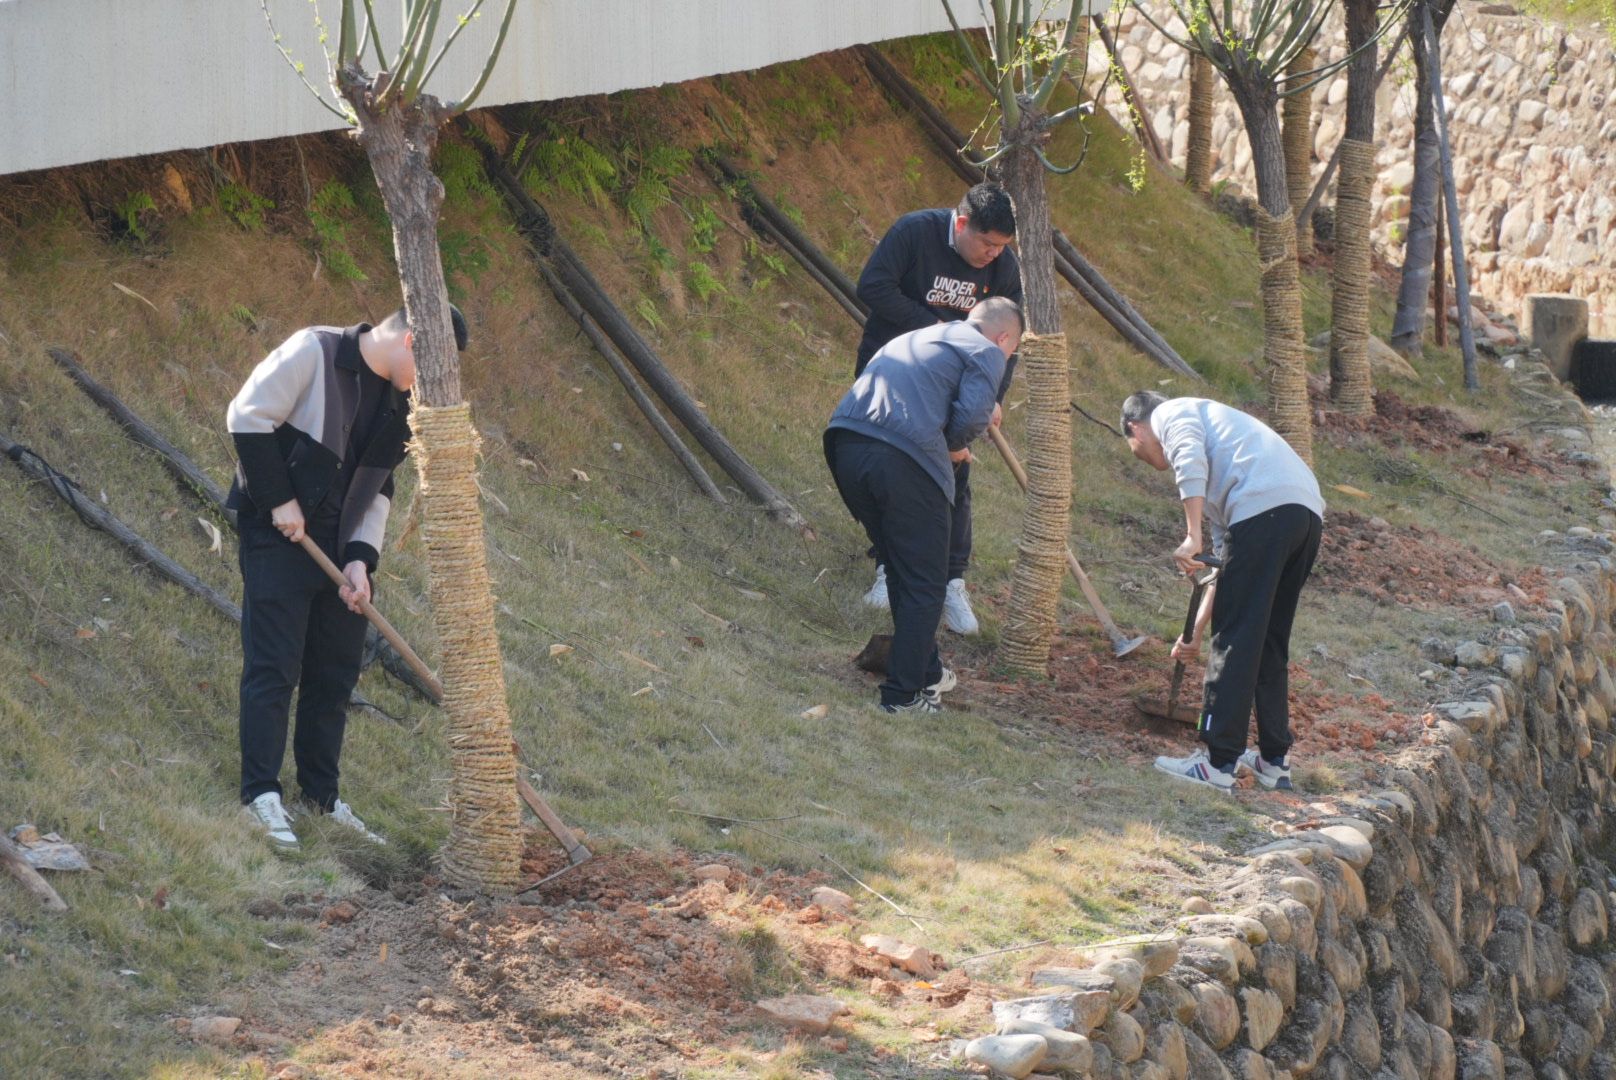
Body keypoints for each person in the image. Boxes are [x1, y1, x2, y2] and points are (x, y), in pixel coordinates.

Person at [227, 305, 468, 848]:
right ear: (412, 341)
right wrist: (279, 499)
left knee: (334, 677)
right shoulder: (314, 350)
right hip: (279, 535)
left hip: (339, 552)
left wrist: (361, 558)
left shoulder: (403, 405)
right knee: (274, 667)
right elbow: (246, 416)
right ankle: (261, 794)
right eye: (432, 367)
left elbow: (380, 487)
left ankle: (320, 797)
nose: (430, 383)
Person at [826, 298, 1024, 713]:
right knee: (926, 583)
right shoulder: (986, 350)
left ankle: (927, 671)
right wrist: (953, 446)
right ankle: (903, 697)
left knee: (902, 568)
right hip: (903, 459)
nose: (1006, 359)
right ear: (1004, 337)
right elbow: (971, 419)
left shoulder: (919, 337)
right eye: (1012, 351)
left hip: (846, 445)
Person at [1120, 391, 1325, 793]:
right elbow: (1226, 567)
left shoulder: (1170, 412)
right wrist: (1196, 632)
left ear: (1135, 428)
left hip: (1265, 512)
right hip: (1303, 517)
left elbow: (1188, 459)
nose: (1139, 454)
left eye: (1133, 446)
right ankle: (1274, 760)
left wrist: (1191, 534)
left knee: (1234, 641)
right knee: (1267, 639)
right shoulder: (1227, 460)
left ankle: (1217, 763)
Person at [853, 182, 1023, 635]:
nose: (994, 254)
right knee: (891, 471)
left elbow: (1009, 337)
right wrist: (937, 330)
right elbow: (873, 286)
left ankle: (951, 580)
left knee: (954, 473)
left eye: (1002, 246)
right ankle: (889, 566)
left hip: (956, 386)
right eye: (987, 243)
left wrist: (994, 395)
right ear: (962, 223)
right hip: (894, 371)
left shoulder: (1003, 265)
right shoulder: (915, 233)